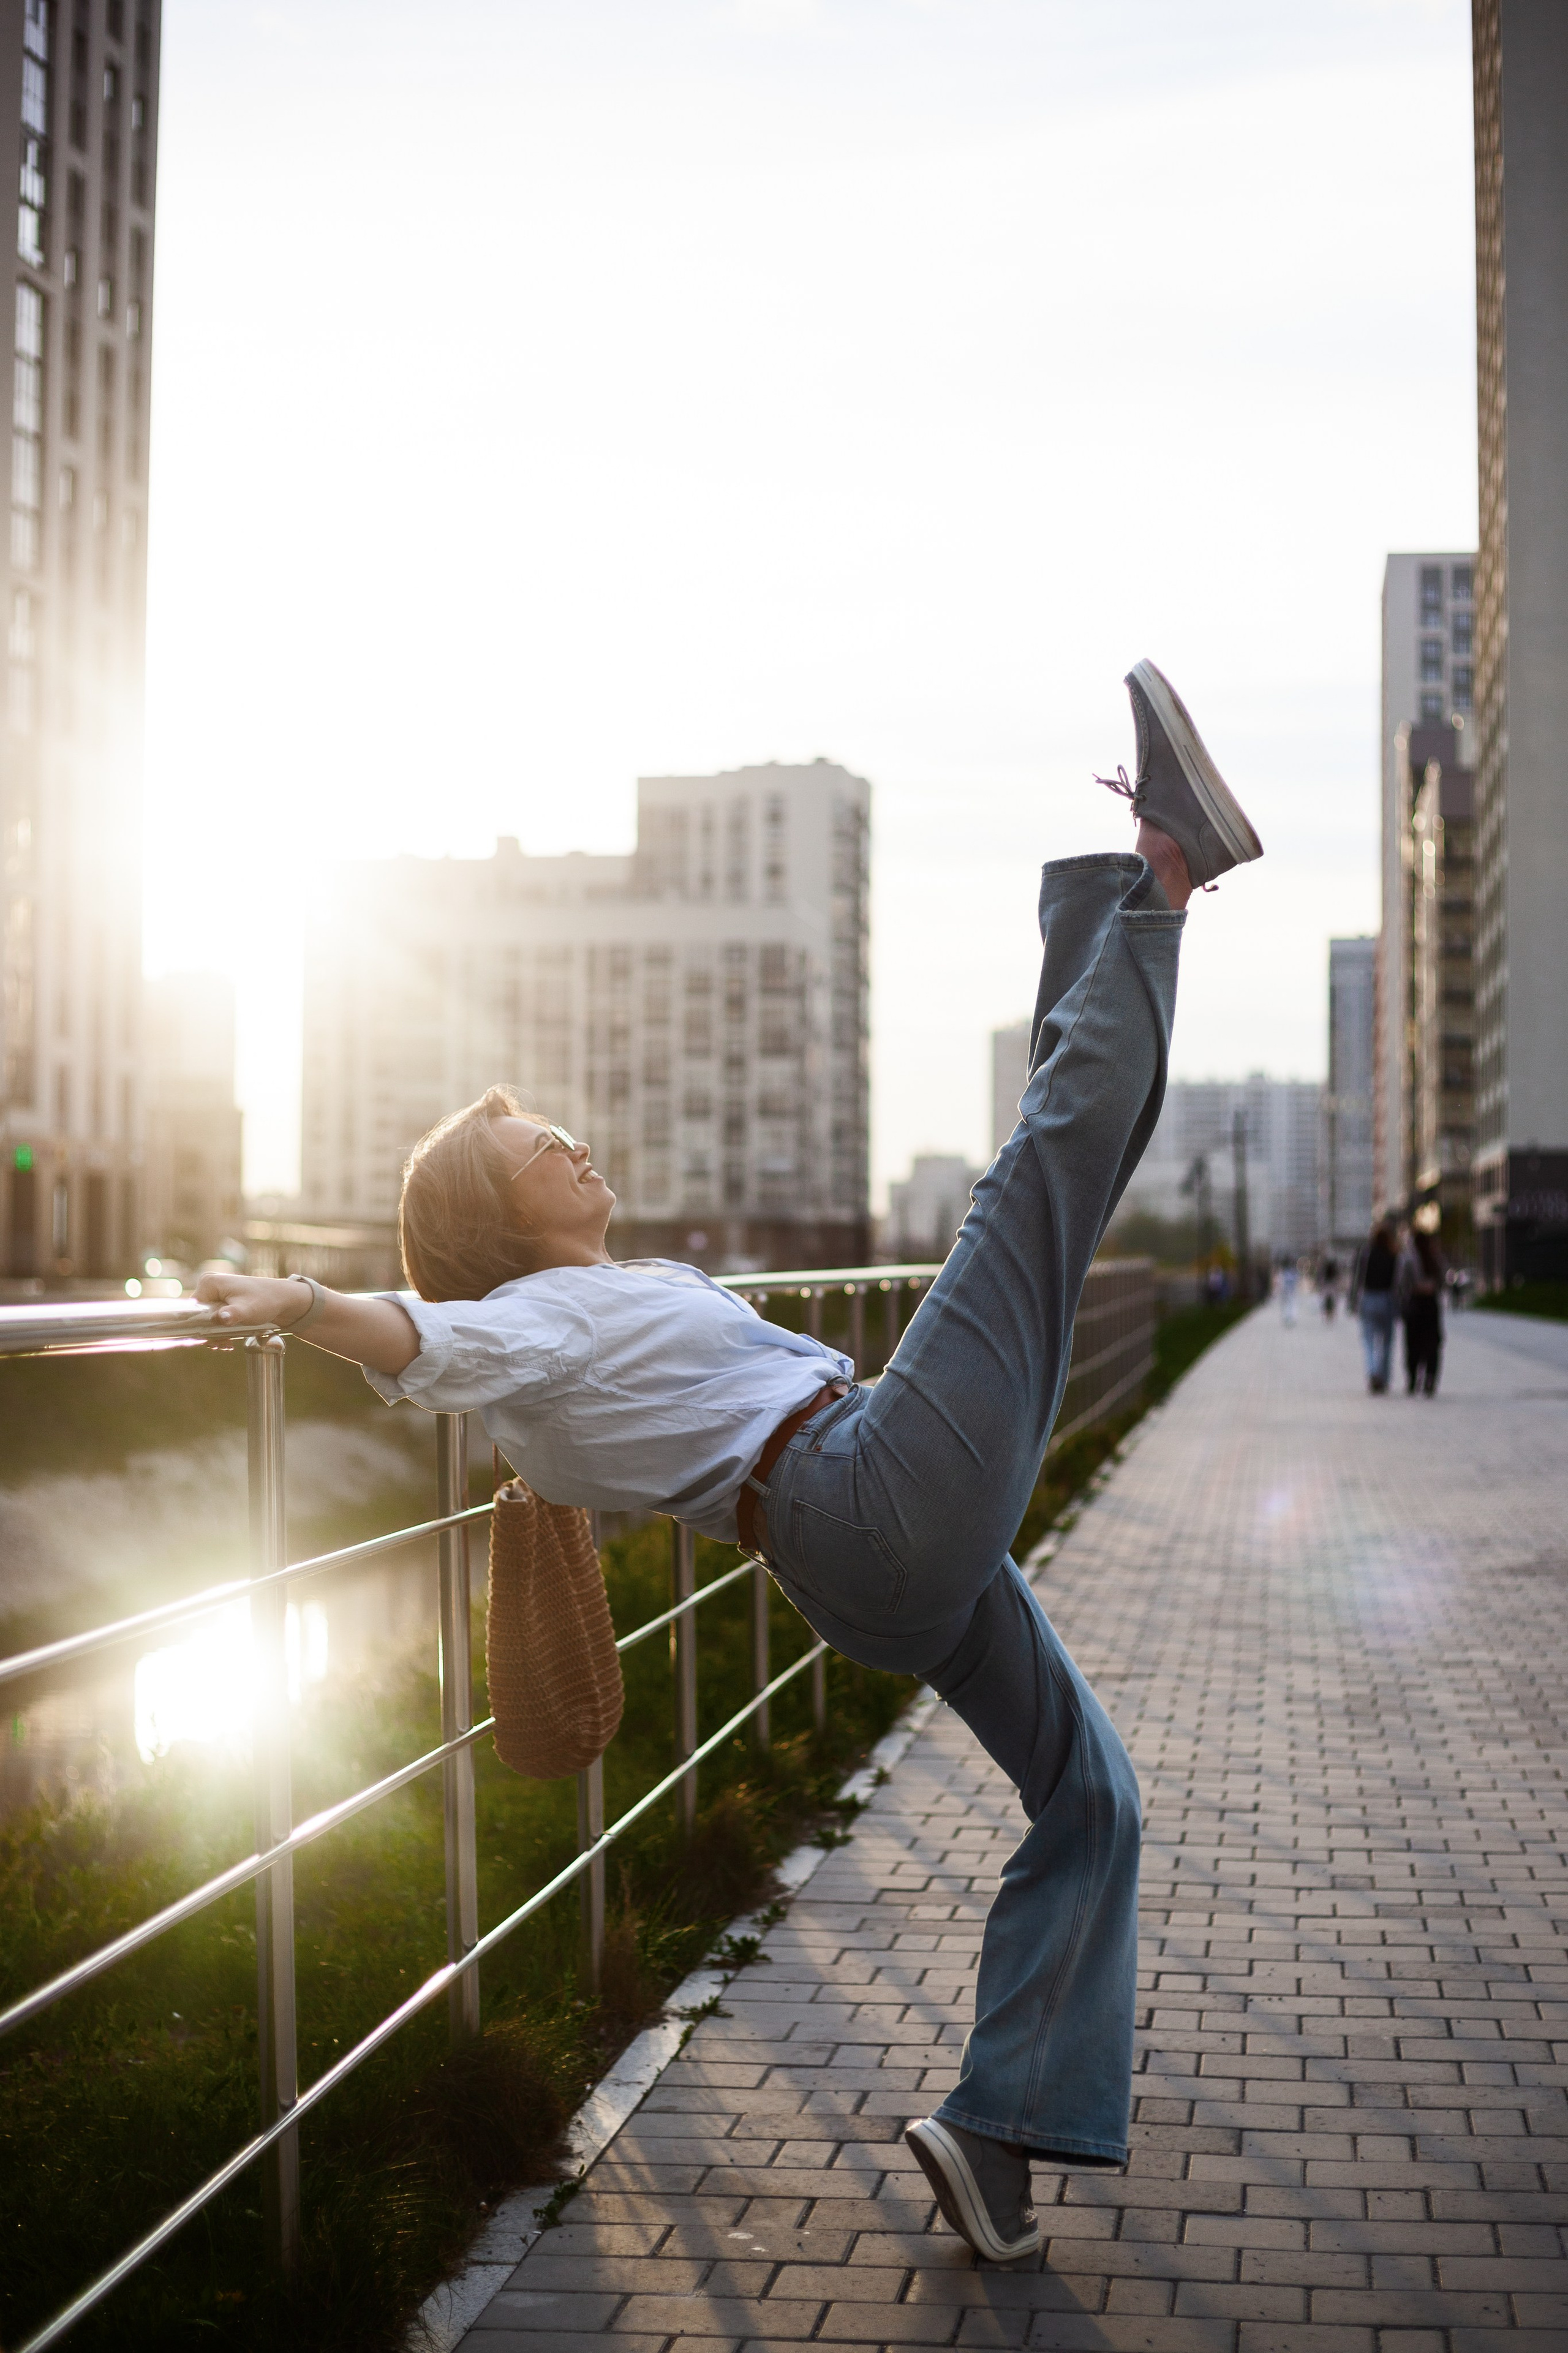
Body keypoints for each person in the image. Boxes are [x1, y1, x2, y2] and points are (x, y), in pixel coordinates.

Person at [198, 660, 1264, 2268]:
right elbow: (426, 1338)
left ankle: (994, 2137)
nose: (567, 1139)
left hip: (866, 1543)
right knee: (1036, 1180)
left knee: (1090, 1792)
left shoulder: (605, 1297)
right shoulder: (533, 1325)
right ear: (496, 1218)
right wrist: (297, 1303)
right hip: (865, 1489)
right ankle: (1158, 876)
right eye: (532, 1147)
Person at [1396, 1220, 1447, 1396]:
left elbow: (1400, 1283)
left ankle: (1412, 1381)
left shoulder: (1408, 1258)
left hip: (1415, 1305)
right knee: (1432, 1344)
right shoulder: (1436, 1257)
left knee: (1413, 1344)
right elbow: (1443, 1281)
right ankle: (1430, 1379)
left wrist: (1413, 1290)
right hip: (1431, 1305)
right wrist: (1431, 1287)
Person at [1352, 1218, 1398, 1392]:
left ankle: (1373, 1372)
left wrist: (1353, 1301)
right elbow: (1398, 1280)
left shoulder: (1365, 1253)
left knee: (1369, 1340)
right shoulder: (1393, 1254)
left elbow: (1358, 1279)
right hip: (1387, 1299)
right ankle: (1383, 1377)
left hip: (1369, 1298)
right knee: (1386, 1343)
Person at [1278, 1255, 1298, 1326]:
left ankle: (1290, 1317)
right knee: (1290, 1304)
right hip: (1288, 1291)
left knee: (1290, 1304)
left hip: (1290, 1291)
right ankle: (1289, 1317)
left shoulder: (1288, 1272)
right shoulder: (1289, 1272)